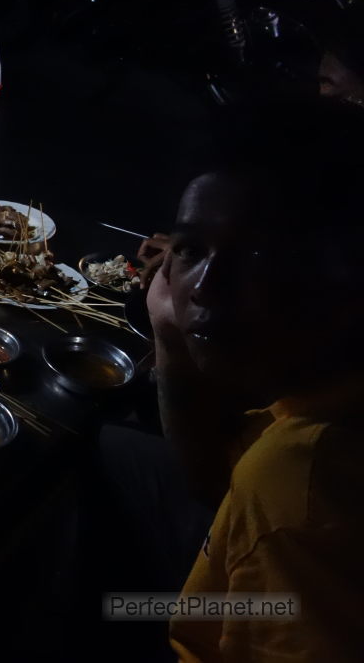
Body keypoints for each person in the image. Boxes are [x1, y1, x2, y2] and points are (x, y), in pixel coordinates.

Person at [143, 103, 364, 661]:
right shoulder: (318, 389)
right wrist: (171, 342)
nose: (208, 286)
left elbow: (269, 510)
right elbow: (214, 488)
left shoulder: (300, 483)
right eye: (191, 248)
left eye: (260, 256)